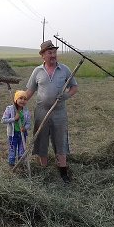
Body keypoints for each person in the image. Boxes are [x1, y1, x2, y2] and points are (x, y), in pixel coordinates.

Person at [26, 40, 78, 183]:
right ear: (43, 55)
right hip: (41, 112)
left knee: (60, 141)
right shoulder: (37, 71)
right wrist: (19, 102)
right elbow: (30, 91)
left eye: (54, 52)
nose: (53, 55)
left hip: (59, 112)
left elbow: (74, 87)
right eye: (49, 52)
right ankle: (44, 169)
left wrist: (66, 95)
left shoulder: (64, 69)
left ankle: (63, 171)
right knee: (41, 140)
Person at [1, 90, 31, 167]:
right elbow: (3, 120)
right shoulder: (10, 109)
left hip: (22, 134)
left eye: (25, 99)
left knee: (22, 150)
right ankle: (12, 166)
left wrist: (25, 128)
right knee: (12, 150)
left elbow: (28, 124)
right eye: (20, 98)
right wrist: (14, 118)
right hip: (13, 134)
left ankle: (21, 165)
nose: (23, 101)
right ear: (16, 99)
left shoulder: (26, 111)